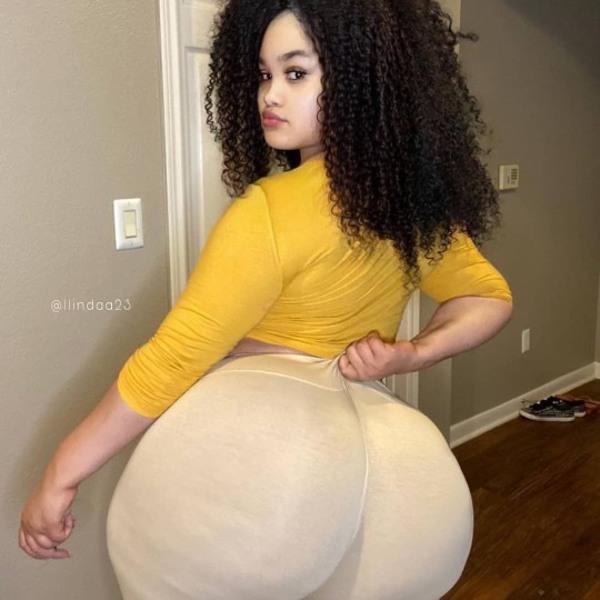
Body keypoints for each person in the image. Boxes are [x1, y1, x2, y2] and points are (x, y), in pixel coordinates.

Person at [19, 0, 513, 598]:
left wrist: (60, 472)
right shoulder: (407, 208)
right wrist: (411, 354)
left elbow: (173, 359)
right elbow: (487, 297)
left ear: (361, 83)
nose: (270, 95)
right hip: (379, 458)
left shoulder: (270, 211)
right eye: (263, 74)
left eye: (296, 73)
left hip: (260, 456)